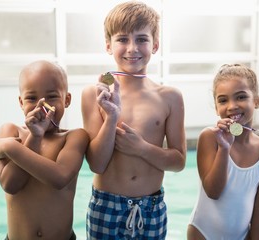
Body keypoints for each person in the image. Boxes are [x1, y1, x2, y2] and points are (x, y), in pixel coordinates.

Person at [81, 1, 187, 239]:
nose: (132, 48)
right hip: (106, 205)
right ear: (108, 45)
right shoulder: (94, 94)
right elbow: (96, 164)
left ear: (155, 45)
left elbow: (178, 161)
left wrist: (141, 148)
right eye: (122, 39)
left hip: (152, 207)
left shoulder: (169, 97)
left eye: (141, 39)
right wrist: (112, 117)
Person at [0, 60, 89, 240]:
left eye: (52, 96)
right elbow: (10, 185)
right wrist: (35, 137)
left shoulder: (74, 137)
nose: (42, 105)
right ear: (21, 102)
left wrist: (10, 146)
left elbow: (59, 178)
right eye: (31, 98)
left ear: (66, 99)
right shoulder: (10, 131)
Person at [187, 64, 259, 240]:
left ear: (256, 101)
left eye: (241, 97)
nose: (232, 106)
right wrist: (224, 148)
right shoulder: (209, 137)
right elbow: (213, 191)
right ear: (216, 107)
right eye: (223, 100)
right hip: (202, 233)